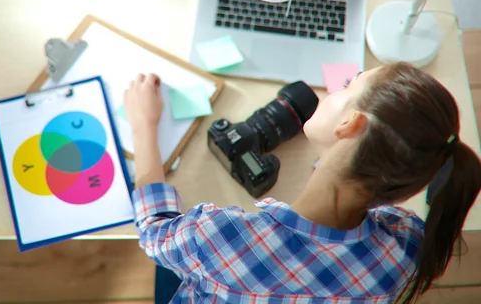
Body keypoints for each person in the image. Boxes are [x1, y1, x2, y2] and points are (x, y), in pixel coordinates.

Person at [122, 62, 481, 303]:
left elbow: (154, 232)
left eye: (346, 86)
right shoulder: (409, 248)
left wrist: (143, 125)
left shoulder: (220, 237)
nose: (331, 91)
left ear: (349, 125)